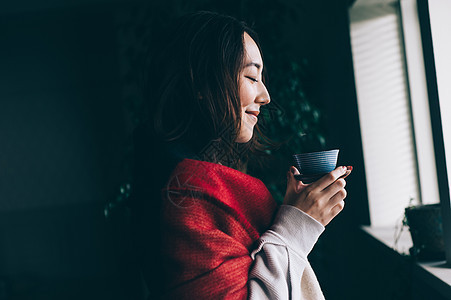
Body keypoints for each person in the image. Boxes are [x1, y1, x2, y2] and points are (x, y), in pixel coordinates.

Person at [131, 11, 351, 300]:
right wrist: (298, 224)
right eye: (251, 76)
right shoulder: (187, 191)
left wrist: (296, 210)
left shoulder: (194, 177)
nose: (266, 95)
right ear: (202, 84)